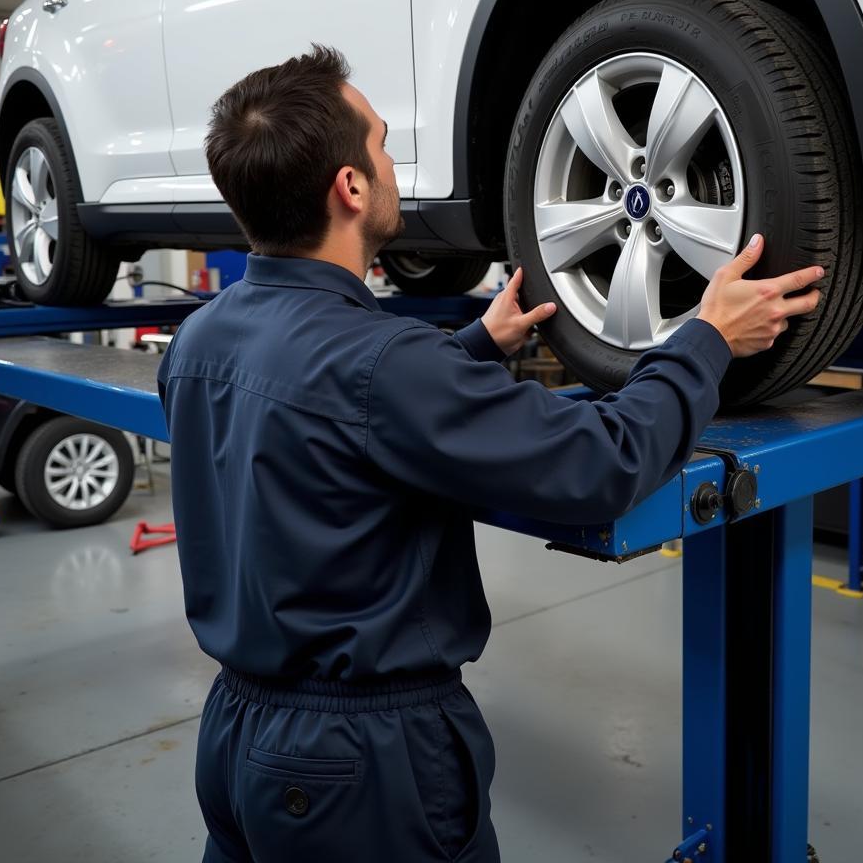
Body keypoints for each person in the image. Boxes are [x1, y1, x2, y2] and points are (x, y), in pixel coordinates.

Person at [157, 45, 822, 863]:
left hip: (235, 733)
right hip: (363, 764)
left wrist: (473, 346)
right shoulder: (386, 364)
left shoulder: (197, 340)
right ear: (351, 188)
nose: (393, 164)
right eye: (381, 145)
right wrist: (706, 341)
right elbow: (603, 463)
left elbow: (330, 418)